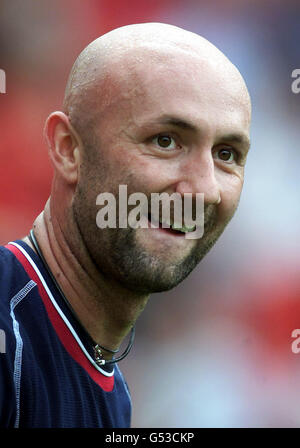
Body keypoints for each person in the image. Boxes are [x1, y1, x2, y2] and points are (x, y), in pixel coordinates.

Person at [0, 22, 251, 428]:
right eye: (165, 140)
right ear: (69, 149)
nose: (204, 190)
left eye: (227, 153)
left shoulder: (110, 387)